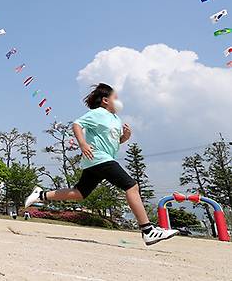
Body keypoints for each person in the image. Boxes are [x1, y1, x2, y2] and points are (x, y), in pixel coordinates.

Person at [24, 83, 179, 246]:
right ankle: (148, 231)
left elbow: (110, 142)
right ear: (105, 100)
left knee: (80, 193)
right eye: (115, 97)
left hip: (98, 160)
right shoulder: (97, 113)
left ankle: (40, 195)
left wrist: (123, 139)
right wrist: (83, 143)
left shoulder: (116, 119)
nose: (118, 101)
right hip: (98, 158)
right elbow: (77, 124)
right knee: (131, 186)